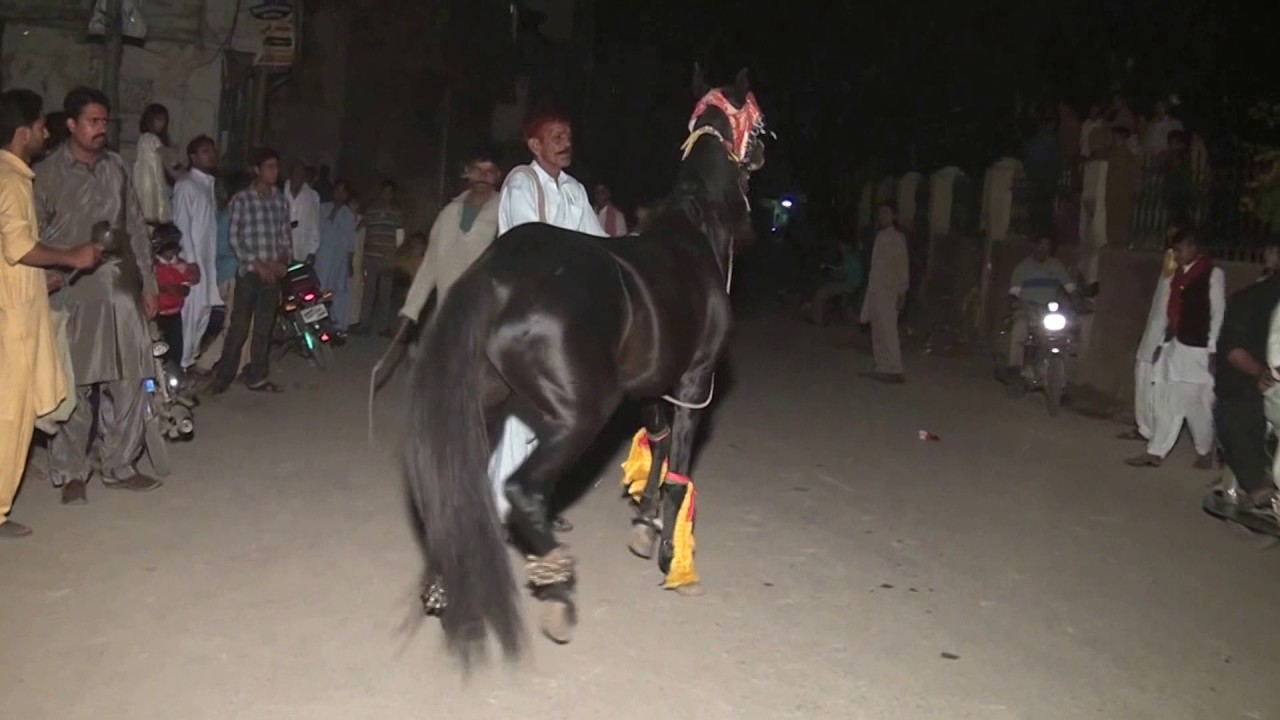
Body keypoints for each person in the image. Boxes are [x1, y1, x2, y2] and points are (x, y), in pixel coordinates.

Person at [35, 86, 163, 504]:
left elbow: (136, 228)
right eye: (92, 121)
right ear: (71, 124)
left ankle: (119, 464)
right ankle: (72, 471)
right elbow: (31, 237)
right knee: (74, 384)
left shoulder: (117, 168)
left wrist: (149, 283)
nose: (100, 128)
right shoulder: (47, 173)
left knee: (130, 379)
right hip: (71, 289)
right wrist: (49, 276)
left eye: (104, 121)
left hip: (120, 287)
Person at [490, 106, 607, 532]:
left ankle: (533, 500)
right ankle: (502, 507)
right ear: (534, 145)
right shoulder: (521, 183)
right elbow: (532, 245)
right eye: (556, 136)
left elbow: (597, 243)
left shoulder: (574, 189)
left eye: (568, 135)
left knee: (559, 415)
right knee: (527, 412)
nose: (565, 142)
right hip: (529, 313)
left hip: (564, 315)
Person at [0, 88, 102, 536]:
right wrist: (69, 256)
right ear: (23, 133)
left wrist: (39, 279)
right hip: (14, 321)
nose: (46, 132)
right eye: (42, 125)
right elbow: (19, 246)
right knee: (12, 417)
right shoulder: (12, 180)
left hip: (17, 303)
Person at [1126, 229, 1224, 469]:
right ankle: (1157, 451)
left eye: (1179, 250)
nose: (1176, 255)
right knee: (1166, 397)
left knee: (1195, 403)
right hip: (1174, 345)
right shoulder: (1178, 275)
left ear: (1193, 248)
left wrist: (1212, 348)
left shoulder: (1212, 274)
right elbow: (1171, 313)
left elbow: (1217, 313)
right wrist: (1162, 343)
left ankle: (1203, 448)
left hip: (1197, 349)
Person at [210, 147, 292, 395]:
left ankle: (257, 376)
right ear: (257, 170)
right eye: (269, 167)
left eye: (276, 167)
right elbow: (235, 238)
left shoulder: (280, 200)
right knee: (239, 327)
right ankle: (223, 377)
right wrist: (259, 265)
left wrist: (281, 262)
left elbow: (285, 236)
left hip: (272, 273)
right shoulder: (242, 199)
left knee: (264, 329)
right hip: (250, 272)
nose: (274, 172)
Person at [399, 145, 503, 325]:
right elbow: (431, 263)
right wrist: (411, 310)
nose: (483, 176)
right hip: (447, 310)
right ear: (467, 172)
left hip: (487, 312)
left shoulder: (505, 211)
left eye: (489, 172)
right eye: (478, 170)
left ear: (498, 176)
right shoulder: (449, 213)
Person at [1215, 244, 1280, 508]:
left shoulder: (1250, 297)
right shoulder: (1253, 299)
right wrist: (1260, 373)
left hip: (1262, 389)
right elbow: (1234, 350)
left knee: (1232, 410)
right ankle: (1259, 482)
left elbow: (1233, 350)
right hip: (1261, 386)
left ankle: (1258, 481)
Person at [1118, 223, 1182, 442]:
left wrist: (1167, 333)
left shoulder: (1181, 264)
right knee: (1143, 374)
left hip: (1164, 332)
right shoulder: (1171, 259)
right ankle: (1145, 426)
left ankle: (1151, 429)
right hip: (1155, 328)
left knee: (1154, 379)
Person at [172, 134, 221, 370]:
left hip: (208, 259)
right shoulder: (185, 185)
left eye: (212, 151)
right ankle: (182, 362)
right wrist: (190, 262)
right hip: (194, 261)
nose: (211, 155)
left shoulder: (207, 185)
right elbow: (182, 225)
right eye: (205, 151)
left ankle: (191, 358)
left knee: (204, 309)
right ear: (193, 157)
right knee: (190, 311)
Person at [1004, 234, 1076, 379]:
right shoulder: (1023, 268)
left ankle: (1059, 377)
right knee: (1020, 328)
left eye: (1047, 245)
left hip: (1049, 312)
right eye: (1041, 245)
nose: (1044, 249)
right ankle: (1015, 368)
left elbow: (1070, 289)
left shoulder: (1056, 266)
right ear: (1034, 246)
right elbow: (1014, 294)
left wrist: (1079, 299)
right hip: (1026, 310)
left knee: (1065, 334)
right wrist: (1017, 303)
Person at [860, 201, 909, 383]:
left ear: (894, 216)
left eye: (886, 213)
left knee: (888, 330)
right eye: (881, 213)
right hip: (876, 289)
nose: (882, 216)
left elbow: (902, 266)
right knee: (877, 329)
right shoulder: (880, 236)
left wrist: (902, 291)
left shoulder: (897, 238)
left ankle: (896, 367)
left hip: (889, 291)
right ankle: (882, 365)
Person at [357, 179, 404, 336]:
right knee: (369, 292)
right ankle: (364, 324)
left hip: (387, 259)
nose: (387, 195)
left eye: (390, 192)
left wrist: (396, 254)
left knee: (385, 293)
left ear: (393, 194)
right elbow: (362, 228)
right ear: (381, 193)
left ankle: (383, 326)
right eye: (385, 192)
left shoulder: (397, 213)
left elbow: (400, 235)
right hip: (371, 257)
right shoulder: (371, 211)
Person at [314, 178, 358, 336]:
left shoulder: (348, 214)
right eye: (337, 191)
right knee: (321, 290)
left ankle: (339, 326)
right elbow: (318, 230)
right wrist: (333, 212)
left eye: (343, 192)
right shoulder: (322, 208)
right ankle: (318, 325)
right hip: (322, 258)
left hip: (339, 259)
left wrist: (350, 262)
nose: (340, 195)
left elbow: (350, 241)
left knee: (338, 292)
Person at [151, 225, 200, 367]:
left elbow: (192, 279)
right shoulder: (153, 267)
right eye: (170, 250)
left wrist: (186, 282)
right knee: (159, 349)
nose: (173, 253)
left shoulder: (178, 265)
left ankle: (175, 373)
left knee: (176, 349)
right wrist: (166, 289)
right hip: (157, 316)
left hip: (175, 314)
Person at [134, 103, 178, 225]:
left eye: (164, 120)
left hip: (143, 184)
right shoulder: (152, 139)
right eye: (158, 119)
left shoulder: (143, 139)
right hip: (150, 184)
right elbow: (168, 162)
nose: (162, 124)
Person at [810, 237, 863, 326]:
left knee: (821, 292)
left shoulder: (848, 258)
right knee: (829, 287)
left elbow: (841, 276)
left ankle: (817, 319)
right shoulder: (856, 256)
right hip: (856, 284)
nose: (840, 248)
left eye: (841, 246)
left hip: (848, 286)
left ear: (847, 246)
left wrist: (831, 272)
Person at [286, 161, 321, 262]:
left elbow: (314, 226)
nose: (298, 178)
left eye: (301, 175)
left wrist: (312, 251)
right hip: (281, 256)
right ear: (290, 175)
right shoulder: (279, 194)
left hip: (302, 255)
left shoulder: (312, 197)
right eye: (295, 174)